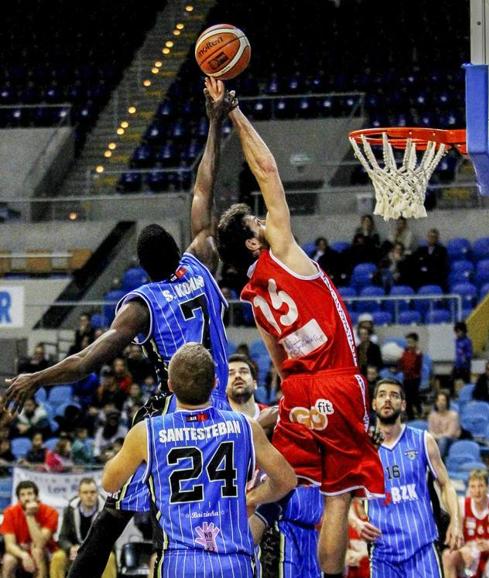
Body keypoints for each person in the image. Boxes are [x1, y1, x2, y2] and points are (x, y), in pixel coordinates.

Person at [5, 77, 236, 578]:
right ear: (179, 250)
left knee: (116, 508)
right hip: (227, 408)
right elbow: (203, 188)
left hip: (175, 408)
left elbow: (86, 361)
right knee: (241, 507)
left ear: (141, 267)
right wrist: (215, 123)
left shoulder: (142, 305)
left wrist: (35, 378)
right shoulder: (202, 261)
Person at [216, 93, 384, 577]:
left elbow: (275, 353)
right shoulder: (283, 251)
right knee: (336, 496)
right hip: (336, 379)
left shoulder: (253, 294)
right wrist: (234, 112)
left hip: (299, 388)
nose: (266, 221)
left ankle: (229, 532)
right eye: (258, 223)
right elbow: (267, 171)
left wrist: (292, 394)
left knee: (283, 481)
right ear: (254, 241)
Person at [102, 343, 297, 578]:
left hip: (180, 562)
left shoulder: (146, 433)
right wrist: (253, 497)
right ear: (216, 382)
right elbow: (286, 480)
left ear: (171, 385)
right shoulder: (246, 426)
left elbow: (110, 483)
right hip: (235, 561)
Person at [350, 378, 463, 577]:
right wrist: (356, 522)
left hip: (422, 548)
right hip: (382, 552)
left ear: (403, 405)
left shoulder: (423, 440)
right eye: (382, 394)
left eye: (394, 396)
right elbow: (341, 497)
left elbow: (446, 485)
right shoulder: (361, 448)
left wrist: (456, 521)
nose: (387, 400)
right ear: (374, 403)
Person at [227, 354, 324, 578]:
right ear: (220, 386)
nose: (238, 376)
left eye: (243, 371)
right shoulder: (218, 426)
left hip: (307, 525)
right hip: (264, 522)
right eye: (230, 373)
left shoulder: (281, 415)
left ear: (255, 382)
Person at [51, 478, 116, 578]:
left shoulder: (107, 511)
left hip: (97, 551)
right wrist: (70, 548)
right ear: (79, 494)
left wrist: (88, 550)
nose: (89, 496)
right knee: (58, 557)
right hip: (74, 551)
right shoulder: (70, 509)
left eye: (92, 492)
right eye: (85, 492)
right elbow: (62, 537)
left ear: (98, 493)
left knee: (110, 558)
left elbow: (110, 540)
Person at [0, 480, 59, 578]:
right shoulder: (9, 512)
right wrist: (24, 555)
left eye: (30, 494)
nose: (26, 498)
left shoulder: (50, 512)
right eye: (22, 495)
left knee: (37, 552)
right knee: (8, 560)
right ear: (18, 498)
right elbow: (9, 545)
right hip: (20, 551)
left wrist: (29, 515)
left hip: (44, 551)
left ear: (37, 496)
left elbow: (40, 543)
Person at [443, 469, 489, 578]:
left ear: (487, 487)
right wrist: (461, 549)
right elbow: (453, 538)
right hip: (469, 556)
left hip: (488, 556)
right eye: (473, 486)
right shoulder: (462, 505)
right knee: (448, 555)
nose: (477, 491)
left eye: (481, 486)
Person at [428, 390, 461, 459]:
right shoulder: (432, 416)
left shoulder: (453, 415)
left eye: (443, 400)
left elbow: (450, 434)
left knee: (443, 440)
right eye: (438, 400)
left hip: (451, 441)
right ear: (435, 402)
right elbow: (430, 431)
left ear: (447, 402)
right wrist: (435, 437)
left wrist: (437, 437)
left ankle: (437, 462)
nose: (440, 403)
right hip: (436, 440)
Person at [398, 332, 423, 420]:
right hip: (406, 378)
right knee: (407, 398)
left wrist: (416, 354)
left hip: (415, 378)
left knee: (415, 397)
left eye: (411, 342)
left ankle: (420, 411)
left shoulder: (418, 354)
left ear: (416, 342)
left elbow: (416, 366)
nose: (409, 344)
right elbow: (401, 364)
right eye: (408, 342)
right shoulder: (404, 352)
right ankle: (411, 417)